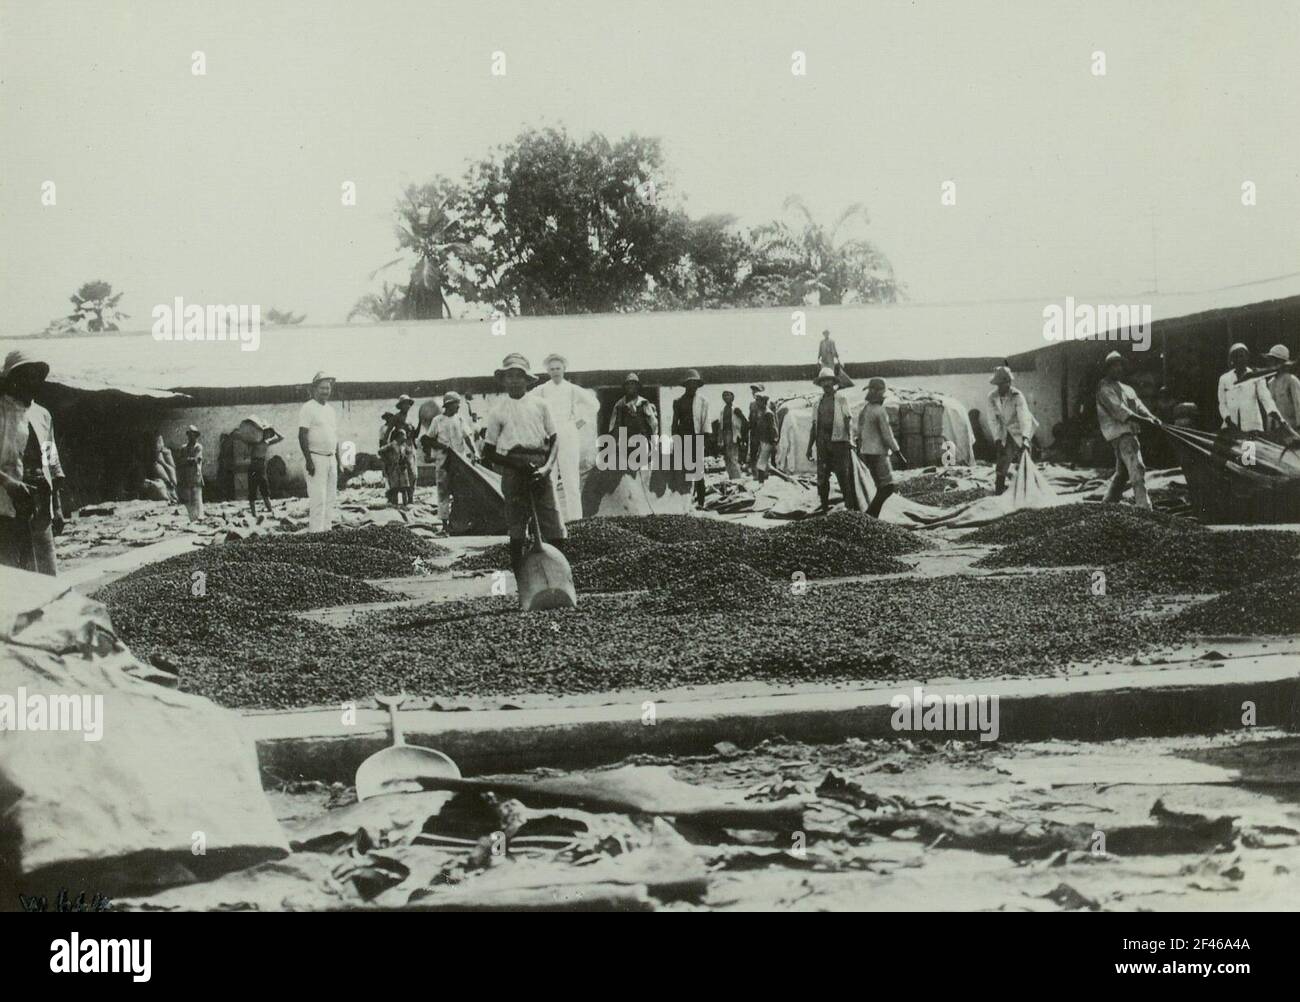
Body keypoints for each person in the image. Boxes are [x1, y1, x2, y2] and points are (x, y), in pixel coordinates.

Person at [482, 353, 567, 579]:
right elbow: (488, 452)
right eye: (509, 376)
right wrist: (516, 463)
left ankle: (558, 578)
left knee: (553, 523)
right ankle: (523, 581)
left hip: (540, 467)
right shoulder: (497, 410)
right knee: (517, 526)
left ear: (527, 380)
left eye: (519, 376)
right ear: (503, 380)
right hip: (513, 469)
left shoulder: (541, 405)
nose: (514, 381)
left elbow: (555, 439)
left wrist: (547, 467)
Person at [0, 350, 64, 576]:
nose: (31, 381)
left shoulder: (42, 415)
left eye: (36, 375)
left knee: (45, 572)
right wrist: (9, 483)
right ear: (12, 378)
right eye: (25, 375)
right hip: (6, 507)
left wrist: (56, 507)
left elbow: (51, 459)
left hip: (39, 504)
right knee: (11, 575)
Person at [530, 353, 595, 522]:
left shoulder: (572, 389)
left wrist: (581, 421)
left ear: (564, 369)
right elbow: (526, 401)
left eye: (558, 368)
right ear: (547, 371)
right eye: (552, 369)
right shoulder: (542, 389)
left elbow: (594, 404)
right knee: (550, 478)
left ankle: (575, 520)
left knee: (571, 479)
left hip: (568, 432)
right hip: (549, 433)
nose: (555, 372)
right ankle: (553, 521)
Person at [1096, 351, 1160, 510]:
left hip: (1130, 432)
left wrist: (1152, 417)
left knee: (1122, 473)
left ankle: (1107, 504)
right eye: (1114, 366)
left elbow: (1138, 405)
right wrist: (1146, 421)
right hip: (1120, 433)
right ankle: (1144, 508)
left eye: (1120, 366)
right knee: (1137, 468)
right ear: (1108, 369)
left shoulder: (1127, 388)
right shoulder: (1104, 388)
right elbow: (1119, 410)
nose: (1118, 369)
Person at [806, 366, 857, 511]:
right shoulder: (817, 403)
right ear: (820, 384)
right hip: (822, 443)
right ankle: (824, 506)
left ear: (833, 382)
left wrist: (850, 439)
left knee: (843, 475)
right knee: (822, 477)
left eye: (828, 381)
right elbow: (814, 426)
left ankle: (850, 508)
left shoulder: (841, 399)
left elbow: (848, 419)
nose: (826, 384)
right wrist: (809, 447)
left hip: (839, 442)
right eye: (823, 382)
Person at [298, 372, 340, 532]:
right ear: (314, 389)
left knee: (331, 498)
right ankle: (316, 534)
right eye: (322, 388)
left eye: (328, 388)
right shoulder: (308, 408)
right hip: (316, 458)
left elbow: (334, 436)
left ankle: (327, 532)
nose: (325, 391)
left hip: (331, 460)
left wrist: (338, 461)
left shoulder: (330, 410)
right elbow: (302, 434)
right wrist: (309, 460)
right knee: (318, 499)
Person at [428, 390, 477, 523]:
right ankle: (444, 523)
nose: (458, 407)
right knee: (443, 492)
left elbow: (468, 437)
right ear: (449, 405)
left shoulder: (460, 419)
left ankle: (458, 522)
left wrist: (475, 452)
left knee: (460, 491)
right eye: (456, 404)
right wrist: (443, 446)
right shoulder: (437, 421)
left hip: (459, 462)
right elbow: (428, 439)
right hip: (443, 462)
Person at [987, 365, 1036, 495]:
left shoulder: (1017, 395)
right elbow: (992, 420)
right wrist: (997, 438)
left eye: (1007, 383)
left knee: (1024, 458)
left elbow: (1024, 417)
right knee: (1003, 459)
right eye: (1001, 384)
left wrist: (1025, 438)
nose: (1004, 386)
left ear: (1009, 382)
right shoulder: (992, 397)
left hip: (1020, 427)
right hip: (1004, 430)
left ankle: (1027, 490)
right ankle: (999, 489)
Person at [857, 377, 901, 518]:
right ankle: (870, 516)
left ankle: (871, 516)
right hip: (878, 453)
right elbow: (887, 435)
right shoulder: (880, 411)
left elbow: (859, 432)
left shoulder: (865, 410)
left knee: (880, 486)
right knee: (888, 487)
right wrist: (898, 452)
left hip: (867, 452)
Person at [1218, 343, 1282, 434]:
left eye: (1242, 356)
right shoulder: (1224, 378)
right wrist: (1228, 420)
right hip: (1230, 428)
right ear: (1232, 359)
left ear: (1247, 357)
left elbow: (1265, 398)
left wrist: (1276, 415)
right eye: (1236, 357)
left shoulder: (1256, 376)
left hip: (1252, 427)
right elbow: (1222, 403)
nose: (1239, 359)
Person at [671, 370, 709, 507]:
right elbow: (675, 423)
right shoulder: (678, 402)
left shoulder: (703, 402)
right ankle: (684, 501)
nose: (692, 386)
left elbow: (705, 422)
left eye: (695, 384)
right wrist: (675, 440)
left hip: (697, 438)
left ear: (698, 386)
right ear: (686, 385)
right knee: (684, 471)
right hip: (683, 438)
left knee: (698, 472)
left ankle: (701, 502)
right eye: (690, 384)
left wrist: (705, 441)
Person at [608, 372, 658, 446]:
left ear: (637, 386)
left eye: (633, 384)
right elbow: (615, 425)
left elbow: (653, 423)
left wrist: (654, 442)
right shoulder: (620, 404)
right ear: (625, 387)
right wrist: (616, 441)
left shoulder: (643, 403)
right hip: (626, 442)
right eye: (628, 384)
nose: (630, 386)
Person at [248, 421, 283, 517]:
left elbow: (281, 438)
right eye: (266, 432)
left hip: (261, 467)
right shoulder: (255, 442)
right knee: (252, 490)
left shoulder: (267, 443)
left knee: (265, 490)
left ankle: (270, 510)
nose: (267, 435)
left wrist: (274, 430)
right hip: (254, 466)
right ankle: (254, 514)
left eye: (268, 433)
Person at [1264, 345, 1300, 432]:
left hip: (1292, 430)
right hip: (1276, 431)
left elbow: (1298, 405)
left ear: (1280, 362)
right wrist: (1268, 429)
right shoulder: (1271, 383)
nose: (1270, 364)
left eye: (1272, 360)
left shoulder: (1291, 380)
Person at [714, 390, 747, 480]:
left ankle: (737, 478)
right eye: (724, 395)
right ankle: (731, 477)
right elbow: (720, 426)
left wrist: (743, 438)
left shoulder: (736, 409)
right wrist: (719, 439)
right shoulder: (723, 410)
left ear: (732, 397)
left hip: (734, 435)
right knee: (727, 458)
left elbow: (745, 422)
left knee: (733, 457)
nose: (726, 397)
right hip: (725, 435)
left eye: (728, 395)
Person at [177, 426, 205, 521]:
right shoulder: (183, 448)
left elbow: (197, 459)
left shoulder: (198, 447)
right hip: (186, 475)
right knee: (187, 498)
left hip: (195, 474)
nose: (192, 437)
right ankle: (191, 518)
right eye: (190, 435)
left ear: (196, 436)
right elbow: (180, 461)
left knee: (197, 496)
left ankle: (200, 516)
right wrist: (188, 460)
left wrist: (187, 460)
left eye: (194, 435)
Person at [751, 392, 778, 482]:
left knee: (762, 461)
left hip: (768, 440)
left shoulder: (768, 413)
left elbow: (773, 428)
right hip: (762, 439)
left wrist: (774, 441)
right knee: (762, 460)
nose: (757, 403)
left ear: (764, 402)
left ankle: (761, 480)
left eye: (759, 401)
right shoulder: (760, 412)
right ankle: (763, 478)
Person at [151, 433, 179, 504]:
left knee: (171, 474)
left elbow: (172, 467)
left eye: (161, 441)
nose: (161, 444)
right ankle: (172, 495)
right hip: (156, 466)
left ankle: (174, 494)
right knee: (167, 482)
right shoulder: (155, 456)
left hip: (161, 466)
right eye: (159, 442)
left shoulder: (164, 453)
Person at [746, 383, 766, 471]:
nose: (754, 392)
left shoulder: (768, 404)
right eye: (753, 391)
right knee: (753, 451)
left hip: (764, 431)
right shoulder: (752, 404)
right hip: (754, 431)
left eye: (756, 390)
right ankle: (753, 469)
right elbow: (750, 417)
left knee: (764, 451)